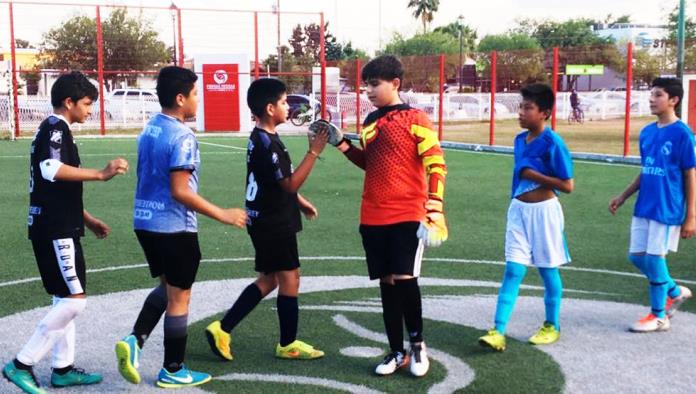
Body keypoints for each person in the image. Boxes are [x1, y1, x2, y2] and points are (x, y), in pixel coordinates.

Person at [115, 66, 247, 389]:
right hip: (173, 227)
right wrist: (223, 214)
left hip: (144, 222)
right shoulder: (183, 135)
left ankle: (135, 341)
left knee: (168, 288)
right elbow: (180, 190)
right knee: (180, 298)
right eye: (195, 94)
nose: (197, 100)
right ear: (180, 98)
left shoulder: (150, 128)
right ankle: (173, 369)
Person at [2, 71, 128, 394]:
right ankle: (21, 364)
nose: (90, 110)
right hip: (55, 227)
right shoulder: (55, 127)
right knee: (75, 301)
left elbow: (55, 188)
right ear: (69, 102)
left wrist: (86, 218)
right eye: (87, 104)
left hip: (59, 222)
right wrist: (101, 174)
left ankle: (63, 369)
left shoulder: (57, 130)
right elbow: (50, 170)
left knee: (63, 297)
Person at [332, 55, 448, 377]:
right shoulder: (368, 123)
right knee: (386, 282)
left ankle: (417, 345)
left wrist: (434, 207)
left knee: (405, 279)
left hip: (408, 211)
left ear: (394, 84)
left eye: (374, 84)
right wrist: (341, 143)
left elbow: (436, 165)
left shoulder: (417, 118)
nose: (367, 90)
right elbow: (370, 163)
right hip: (372, 213)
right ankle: (396, 351)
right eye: (365, 84)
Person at [205, 78, 328, 362]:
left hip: (264, 217)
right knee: (290, 279)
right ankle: (287, 343)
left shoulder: (261, 137)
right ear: (271, 108)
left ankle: (222, 328)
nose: (288, 106)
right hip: (274, 222)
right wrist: (313, 152)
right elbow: (287, 184)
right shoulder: (268, 143)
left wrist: (299, 202)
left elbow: (272, 182)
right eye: (284, 102)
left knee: (270, 279)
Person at [478, 83, 574, 352]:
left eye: (527, 108)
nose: (521, 112)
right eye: (521, 107)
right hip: (518, 211)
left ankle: (551, 325)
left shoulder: (553, 143)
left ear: (544, 113)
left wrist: (535, 176)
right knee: (513, 269)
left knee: (547, 270)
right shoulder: (519, 140)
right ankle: (498, 330)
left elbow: (568, 185)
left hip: (544, 214)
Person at [609, 77, 695, 332]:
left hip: (667, 207)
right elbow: (646, 170)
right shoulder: (647, 132)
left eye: (658, 95)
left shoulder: (683, 134)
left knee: (655, 258)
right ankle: (673, 290)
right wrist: (623, 196)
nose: (651, 99)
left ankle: (659, 316)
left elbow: (690, 174)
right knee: (636, 256)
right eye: (651, 94)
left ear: (673, 100)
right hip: (644, 204)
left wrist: (691, 216)